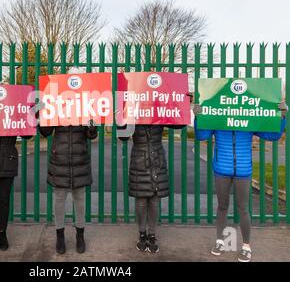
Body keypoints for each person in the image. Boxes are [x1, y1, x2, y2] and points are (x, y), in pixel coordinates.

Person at [193, 100, 287, 262]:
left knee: (243, 208)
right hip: (222, 169)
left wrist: (282, 116)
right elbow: (202, 135)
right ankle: (220, 241)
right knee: (222, 206)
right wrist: (198, 117)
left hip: (243, 171)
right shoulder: (218, 118)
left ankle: (246, 246)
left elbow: (273, 135)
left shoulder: (249, 119)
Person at [118, 120, 187, 253]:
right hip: (139, 158)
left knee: (155, 201)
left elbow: (177, 122)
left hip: (157, 158)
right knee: (141, 201)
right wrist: (120, 119)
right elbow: (123, 136)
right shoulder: (133, 109)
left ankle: (152, 234)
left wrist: (186, 107)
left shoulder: (159, 106)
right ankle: (142, 233)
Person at [39, 119, 97, 254]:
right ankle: (60, 236)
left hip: (79, 159)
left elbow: (92, 135)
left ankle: (80, 235)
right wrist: (42, 117)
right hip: (60, 159)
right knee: (59, 199)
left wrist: (92, 125)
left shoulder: (84, 104)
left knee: (79, 199)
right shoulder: (56, 102)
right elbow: (45, 132)